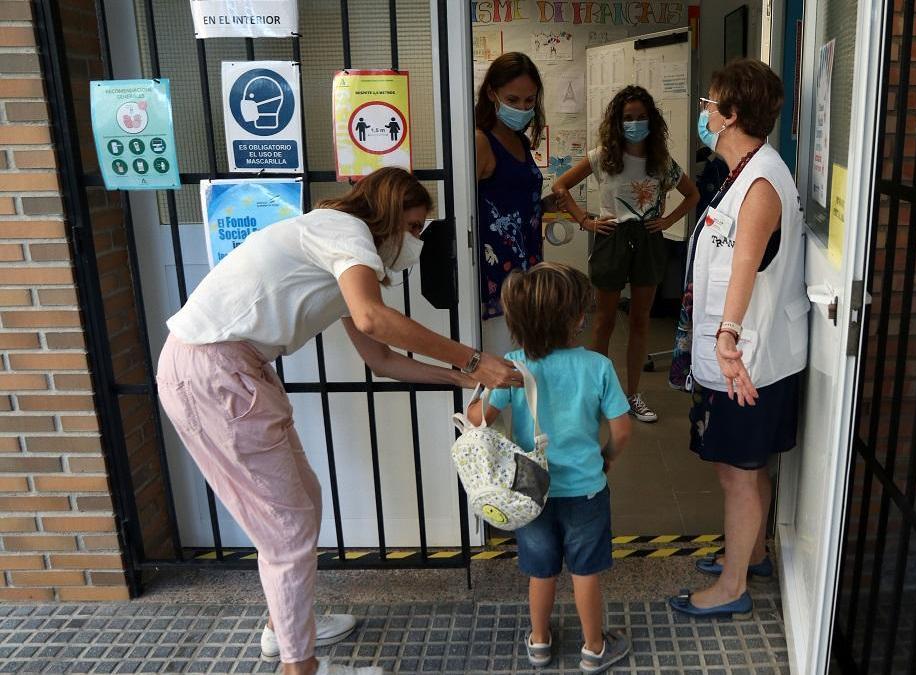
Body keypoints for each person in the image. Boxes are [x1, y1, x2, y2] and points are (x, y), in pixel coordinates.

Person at [156, 168, 521, 675]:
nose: (416, 241)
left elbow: (382, 360)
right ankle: (297, 666)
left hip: (224, 370)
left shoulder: (337, 250)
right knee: (287, 527)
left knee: (300, 502)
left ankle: (282, 627)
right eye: (413, 227)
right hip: (214, 373)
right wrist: (473, 359)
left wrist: (463, 382)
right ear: (387, 218)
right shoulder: (343, 232)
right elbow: (373, 320)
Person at [668, 59, 809, 619]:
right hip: (740, 354)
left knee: (738, 472)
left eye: (709, 103)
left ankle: (732, 588)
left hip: (747, 360)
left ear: (729, 116)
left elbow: (747, 264)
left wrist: (726, 341)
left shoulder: (761, 183)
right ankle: (750, 555)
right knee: (745, 467)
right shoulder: (746, 171)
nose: (704, 111)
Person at [467, 263, 634, 674]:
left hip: (531, 493)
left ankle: (539, 642)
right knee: (585, 571)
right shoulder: (597, 367)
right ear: (578, 318)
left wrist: (478, 392)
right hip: (586, 491)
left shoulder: (513, 367)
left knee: (540, 572)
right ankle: (594, 648)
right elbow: (622, 430)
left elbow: (477, 418)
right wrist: (608, 455)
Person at [552, 85, 699, 423]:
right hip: (612, 238)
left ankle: (633, 395)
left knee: (639, 321)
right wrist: (584, 220)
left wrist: (666, 220)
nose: (635, 123)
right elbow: (560, 186)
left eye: (641, 118)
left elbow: (691, 195)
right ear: (618, 122)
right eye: (628, 118)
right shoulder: (603, 156)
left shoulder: (661, 162)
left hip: (648, 241)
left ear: (652, 121)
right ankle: (597, 395)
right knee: (602, 322)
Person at [475, 52, 555, 358]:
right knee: (502, 367)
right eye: (513, 99)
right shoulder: (481, 142)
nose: (523, 108)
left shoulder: (519, 140)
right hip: (496, 278)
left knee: (527, 361)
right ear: (492, 94)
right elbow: (468, 210)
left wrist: (544, 204)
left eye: (529, 100)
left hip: (527, 271)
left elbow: (509, 203)